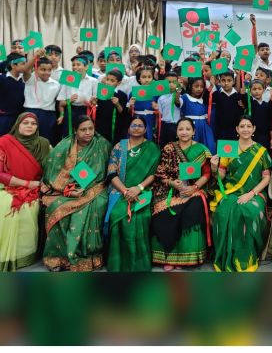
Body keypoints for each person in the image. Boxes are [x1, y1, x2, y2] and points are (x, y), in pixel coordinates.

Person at [40, 116, 111, 271]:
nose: (88, 132)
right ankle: (59, 258)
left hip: (96, 188)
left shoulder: (102, 145)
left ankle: (86, 257)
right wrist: (68, 190)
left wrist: (84, 189)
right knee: (55, 208)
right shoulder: (64, 146)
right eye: (83, 129)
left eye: (91, 129)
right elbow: (53, 170)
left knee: (85, 212)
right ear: (75, 131)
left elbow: (104, 173)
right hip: (67, 190)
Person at [210, 115, 272, 272]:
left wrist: (251, 194)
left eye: (248, 126)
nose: (245, 129)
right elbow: (221, 176)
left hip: (255, 192)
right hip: (230, 191)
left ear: (254, 129)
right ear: (237, 129)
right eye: (242, 126)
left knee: (250, 211)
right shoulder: (228, 148)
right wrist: (214, 167)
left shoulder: (261, 151)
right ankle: (225, 256)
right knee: (223, 212)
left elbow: (266, 178)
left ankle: (246, 258)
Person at [152, 118, 212, 270]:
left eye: (187, 129)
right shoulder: (169, 148)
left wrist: (195, 187)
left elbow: (207, 173)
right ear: (176, 132)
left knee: (193, 208)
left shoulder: (201, 149)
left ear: (194, 132)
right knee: (164, 210)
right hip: (170, 190)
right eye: (181, 129)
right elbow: (160, 173)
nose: (184, 132)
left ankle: (184, 258)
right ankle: (169, 257)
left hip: (194, 190)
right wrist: (172, 183)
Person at [104, 117, 160, 272]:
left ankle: (138, 263)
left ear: (145, 129)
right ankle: (118, 263)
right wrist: (125, 191)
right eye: (133, 125)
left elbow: (154, 174)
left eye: (140, 125)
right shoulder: (119, 147)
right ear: (128, 128)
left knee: (141, 216)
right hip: (119, 190)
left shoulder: (152, 148)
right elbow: (111, 173)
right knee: (116, 214)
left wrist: (139, 188)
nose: (136, 128)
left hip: (143, 191)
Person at [0, 113, 50, 271]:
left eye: (33, 123)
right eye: (25, 122)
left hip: (36, 188)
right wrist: (27, 183)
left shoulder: (43, 144)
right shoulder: (4, 142)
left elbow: (54, 165)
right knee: (7, 204)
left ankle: (24, 256)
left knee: (29, 207)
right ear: (18, 125)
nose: (29, 126)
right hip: (7, 186)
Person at [22, 53, 61, 143]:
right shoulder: (31, 79)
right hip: (31, 112)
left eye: (49, 70)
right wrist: (36, 56)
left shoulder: (56, 84)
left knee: (47, 140)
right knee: (29, 139)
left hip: (49, 115)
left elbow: (60, 101)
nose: (46, 72)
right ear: (36, 69)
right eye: (43, 70)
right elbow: (25, 69)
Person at [56, 55, 98, 138]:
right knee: (69, 134)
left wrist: (93, 102)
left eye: (78, 65)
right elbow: (61, 103)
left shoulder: (93, 81)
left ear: (86, 67)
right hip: (71, 111)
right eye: (73, 65)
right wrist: (68, 102)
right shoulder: (68, 80)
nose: (75, 67)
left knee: (84, 134)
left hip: (86, 111)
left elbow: (95, 102)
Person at [180, 76, 216, 154]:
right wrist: (177, 90)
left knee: (210, 146)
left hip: (205, 127)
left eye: (201, 86)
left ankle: (209, 161)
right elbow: (177, 102)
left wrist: (212, 84)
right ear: (190, 86)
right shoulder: (185, 97)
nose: (199, 89)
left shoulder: (204, 99)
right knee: (193, 149)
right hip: (192, 126)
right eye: (196, 86)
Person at [95, 69, 128, 145]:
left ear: (118, 83)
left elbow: (122, 112)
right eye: (107, 79)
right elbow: (97, 108)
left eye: (112, 81)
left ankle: (118, 152)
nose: (109, 82)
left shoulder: (122, 95)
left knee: (116, 144)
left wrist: (117, 103)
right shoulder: (101, 92)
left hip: (116, 125)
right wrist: (94, 102)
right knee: (102, 145)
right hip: (102, 124)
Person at [0, 53, 26, 136]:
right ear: (13, 65)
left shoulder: (24, 80)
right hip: (5, 117)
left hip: (20, 118)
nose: (25, 66)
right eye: (23, 64)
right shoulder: (2, 79)